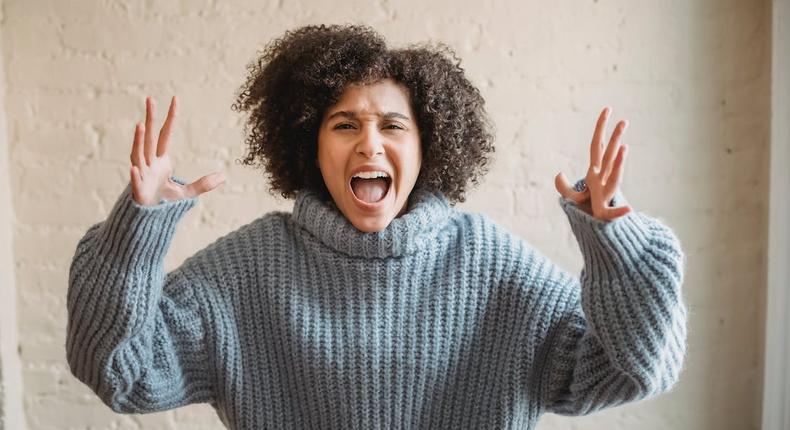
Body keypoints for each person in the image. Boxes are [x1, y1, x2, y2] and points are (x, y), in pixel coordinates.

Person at [65, 24, 687, 429]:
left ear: (427, 148)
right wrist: (134, 233)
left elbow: (635, 370)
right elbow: (121, 374)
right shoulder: (247, 270)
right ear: (309, 146)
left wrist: (616, 246)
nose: (369, 144)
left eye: (392, 126)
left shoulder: (492, 266)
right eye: (343, 125)